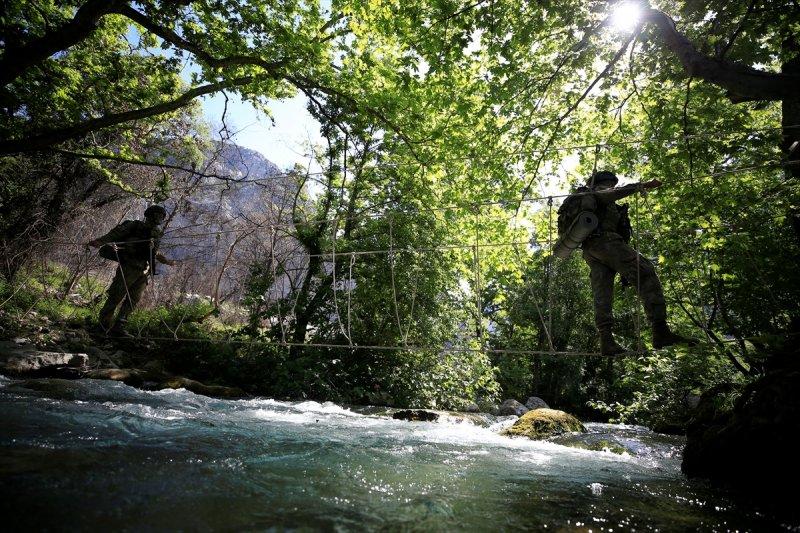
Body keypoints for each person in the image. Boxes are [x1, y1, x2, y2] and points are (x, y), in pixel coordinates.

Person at [560, 170, 697, 355]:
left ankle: (606, 340)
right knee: (646, 272)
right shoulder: (598, 191)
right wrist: (641, 185)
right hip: (606, 243)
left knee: (603, 294)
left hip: (590, 250)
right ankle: (660, 330)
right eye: (612, 183)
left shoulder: (589, 200)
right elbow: (610, 194)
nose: (613, 186)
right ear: (605, 182)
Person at [87, 205, 176, 335]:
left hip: (144, 271)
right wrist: (100, 241)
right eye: (157, 214)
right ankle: (103, 325)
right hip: (129, 266)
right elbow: (116, 234)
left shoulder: (156, 234)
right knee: (116, 295)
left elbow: (153, 252)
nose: (159, 218)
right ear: (149, 215)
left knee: (133, 300)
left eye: (161, 216)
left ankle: (119, 327)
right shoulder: (134, 226)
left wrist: (166, 261)